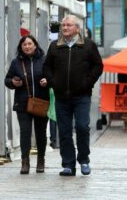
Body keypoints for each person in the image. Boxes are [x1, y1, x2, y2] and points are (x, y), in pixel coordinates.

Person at [42, 14, 103, 176]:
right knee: (64, 130)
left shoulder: (88, 46)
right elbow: (47, 67)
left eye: (69, 25)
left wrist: (87, 82)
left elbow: (98, 66)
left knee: (82, 127)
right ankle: (68, 164)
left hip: (81, 95)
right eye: (63, 25)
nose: (65, 28)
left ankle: (84, 160)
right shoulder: (55, 46)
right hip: (61, 96)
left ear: (77, 28)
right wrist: (53, 81)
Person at [4, 34, 49, 174]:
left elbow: (53, 75)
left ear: (35, 45)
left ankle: (41, 160)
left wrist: (47, 81)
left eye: (30, 44)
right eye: (24, 45)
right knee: (25, 132)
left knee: (41, 133)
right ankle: (25, 162)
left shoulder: (44, 60)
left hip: (41, 101)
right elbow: (7, 80)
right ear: (21, 47)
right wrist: (13, 82)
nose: (27, 47)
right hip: (23, 103)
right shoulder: (16, 62)